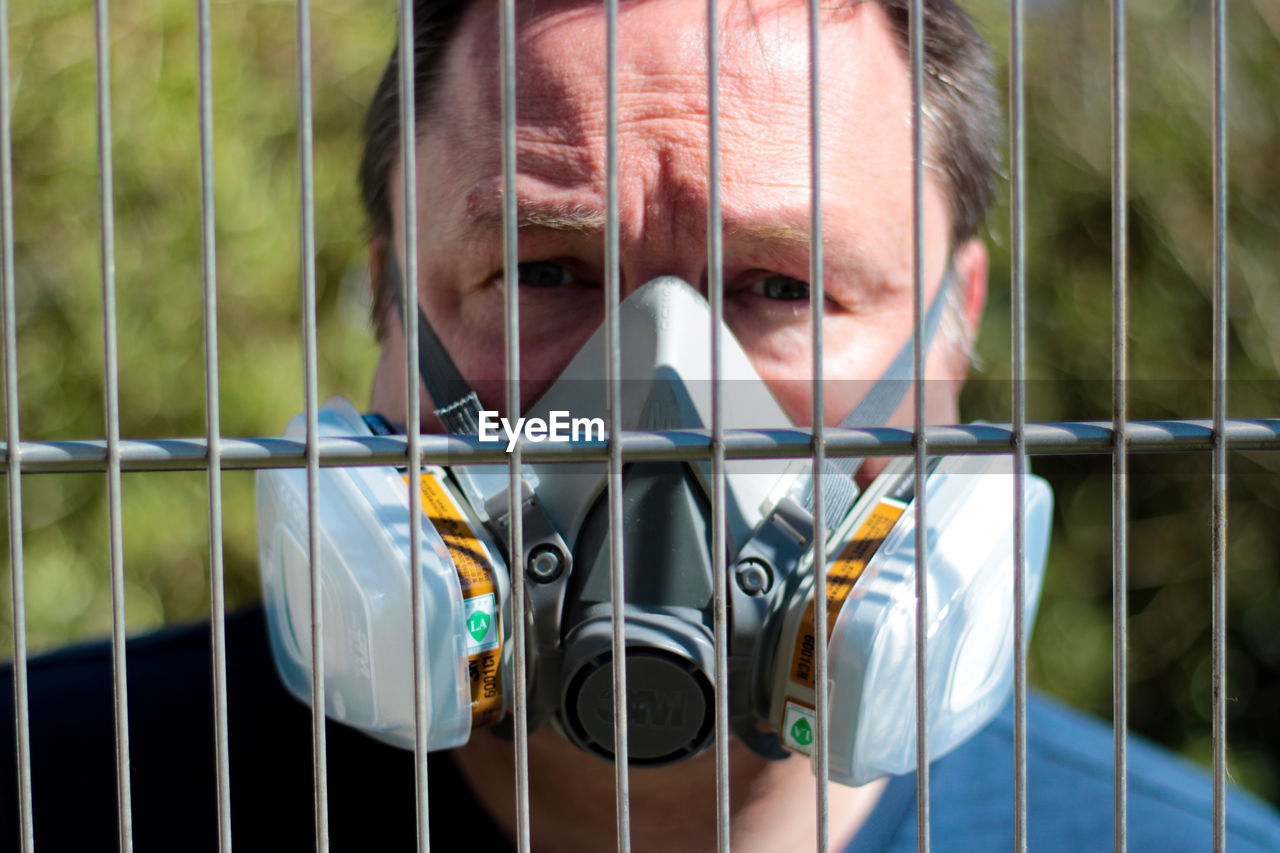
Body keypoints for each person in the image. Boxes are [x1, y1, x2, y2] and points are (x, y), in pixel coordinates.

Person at [2, 0, 1279, 850]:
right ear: (392, 293)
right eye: (542, 272)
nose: (658, 392)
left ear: (953, 324)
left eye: (780, 287)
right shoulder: (50, 787)